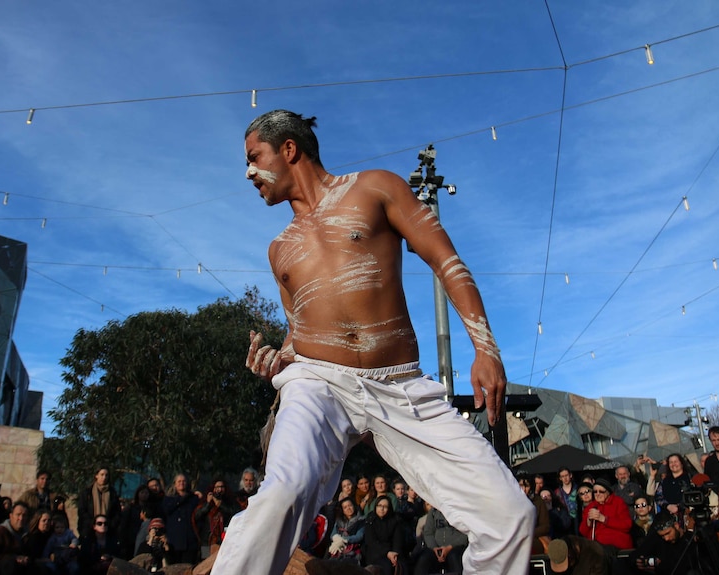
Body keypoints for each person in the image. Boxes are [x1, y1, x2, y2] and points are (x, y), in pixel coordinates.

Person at [212, 109, 533, 575]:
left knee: (511, 516)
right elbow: (299, 331)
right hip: (316, 382)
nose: (247, 172)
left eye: (252, 157)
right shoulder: (279, 248)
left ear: (289, 149)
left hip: (399, 385)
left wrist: (486, 348)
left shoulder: (375, 187)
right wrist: (275, 360)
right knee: (282, 494)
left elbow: (446, 260)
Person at [0, 501, 35, 575]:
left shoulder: (27, 535)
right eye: (18, 515)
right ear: (11, 516)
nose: (21, 518)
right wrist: (14, 558)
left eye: (24, 515)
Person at [580, 478, 633, 551]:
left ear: (608, 492)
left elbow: (627, 525)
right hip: (596, 548)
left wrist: (605, 519)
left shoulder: (618, 502)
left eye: (601, 491)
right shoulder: (591, 507)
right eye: (595, 492)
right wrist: (588, 521)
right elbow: (583, 532)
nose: (598, 494)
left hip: (616, 545)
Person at [193, 478, 239, 558]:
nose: (220, 489)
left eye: (222, 487)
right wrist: (208, 504)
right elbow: (197, 516)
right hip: (207, 541)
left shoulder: (230, 502)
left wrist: (220, 505)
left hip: (223, 540)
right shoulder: (206, 502)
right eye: (217, 487)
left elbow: (235, 513)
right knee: (205, 563)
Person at [414, 505, 466, 575]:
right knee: (423, 559)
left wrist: (450, 547)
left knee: (454, 557)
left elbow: (465, 534)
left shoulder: (460, 511)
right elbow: (428, 533)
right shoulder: (433, 511)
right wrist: (434, 548)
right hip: (435, 549)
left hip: (455, 548)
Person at [362, 496, 406, 575]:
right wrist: (387, 552)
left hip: (392, 552)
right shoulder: (370, 519)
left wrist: (394, 553)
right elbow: (371, 541)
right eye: (379, 506)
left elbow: (398, 540)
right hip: (376, 552)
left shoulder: (395, 519)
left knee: (402, 566)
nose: (382, 509)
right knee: (385, 567)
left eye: (385, 506)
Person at [161, 474, 200, 565]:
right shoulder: (168, 499)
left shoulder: (193, 499)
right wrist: (181, 499)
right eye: (179, 481)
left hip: (189, 540)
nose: (181, 483)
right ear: (175, 484)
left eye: (184, 481)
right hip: (174, 541)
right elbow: (166, 510)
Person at [75, 466, 120, 539]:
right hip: (89, 530)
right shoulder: (87, 493)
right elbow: (82, 510)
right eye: (102, 474)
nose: (104, 477)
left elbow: (117, 512)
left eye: (106, 475)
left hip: (107, 530)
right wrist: (92, 523)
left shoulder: (112, 493)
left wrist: (110, 523)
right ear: (96, 476)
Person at [326, 496, 364, 564]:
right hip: (337, 548)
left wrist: (344, 539)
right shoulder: (339, 520)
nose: (348, 508)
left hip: (352, 550)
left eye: (350, 505)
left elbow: (359, 536)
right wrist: (337, 539)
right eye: (345, 507)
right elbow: (333, 534)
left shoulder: (361, 520)